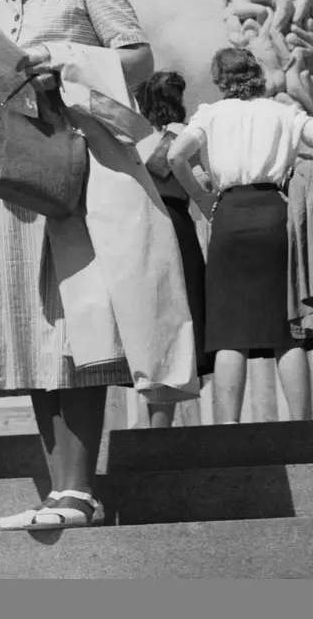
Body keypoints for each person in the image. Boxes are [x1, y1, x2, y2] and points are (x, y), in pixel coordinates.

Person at [0, 0, 196, 530]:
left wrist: (64, 61)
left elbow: (138, 59)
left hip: (81, 171)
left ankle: (81, 489)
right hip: (19, 176)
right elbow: (3, 96)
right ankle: (61, 491)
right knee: (34, 330)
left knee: (79, 324)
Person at [167, 47, 313, 424]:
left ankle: (228, 428)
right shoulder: (283, 112)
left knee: (230, 329)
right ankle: (301, 424)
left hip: (229, 216)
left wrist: (201, 196)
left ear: (219, 79)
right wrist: (307, 180)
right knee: (286, 326)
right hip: (277, 214)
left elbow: (174, 157)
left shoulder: (210, 115)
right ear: (257, 75)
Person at [134, 71, 210, 428]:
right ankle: (163, 426)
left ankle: (156, 423)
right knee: (181, 316)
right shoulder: (181, 136)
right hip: (175, 226)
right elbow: (201, 181)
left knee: (151, 320)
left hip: (137, 229)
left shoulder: (132, 138)